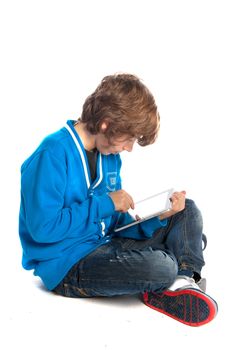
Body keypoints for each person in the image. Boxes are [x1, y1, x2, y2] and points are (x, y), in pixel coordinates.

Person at [19, 73, 218, 327]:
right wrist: (106, 203)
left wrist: (158, 219)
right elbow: (42, 229)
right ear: (105, 124)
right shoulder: (52, 154)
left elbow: (116, 225)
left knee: (186, 212)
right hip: (68, 266)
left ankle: (185, 280)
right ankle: (174, 265)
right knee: (162, 265)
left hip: (107, 244)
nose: (129, 148)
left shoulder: (110, 156)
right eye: (129, 139)